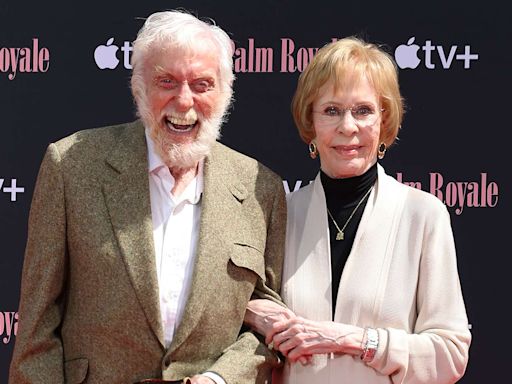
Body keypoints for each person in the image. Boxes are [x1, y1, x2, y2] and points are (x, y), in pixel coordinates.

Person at [9, 10, 286, 384]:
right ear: (139, 87)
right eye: (166, 81)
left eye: (202, 84)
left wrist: (220, 379)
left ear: (224, 93)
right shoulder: (72, 166)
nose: (184, 101)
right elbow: (37, 331)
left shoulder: (260, 187)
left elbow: (267, 324)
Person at [244, 37, 471, 383]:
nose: (347, 127)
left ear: (384, 120)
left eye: (363, 110)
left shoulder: (423, 215)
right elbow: (223, 313)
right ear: (311, 124)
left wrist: (356, 340)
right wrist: (252, 315)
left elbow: (450, 355)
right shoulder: (281, 215)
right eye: (332, 111)